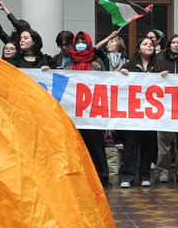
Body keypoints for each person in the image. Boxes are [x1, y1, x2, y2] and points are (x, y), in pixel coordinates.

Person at [64, 31, 111, 188]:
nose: (81, 43)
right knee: (76, 146)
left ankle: (103, 177)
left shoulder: (97, 62)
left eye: (84, 40)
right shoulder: (68, 62)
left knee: (97, 146)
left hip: (93, 112)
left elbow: (105, 82)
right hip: (74, 112)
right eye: (78, 41)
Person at [118, 36, 159, 188]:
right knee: (131, 144)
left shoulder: (158, 66)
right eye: (145, 44)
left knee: (148, 145)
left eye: (151, 44)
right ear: (138, 48)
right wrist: (121, 74)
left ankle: (145, 175)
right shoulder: (130, 65)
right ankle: (127, 177)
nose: (149, 46)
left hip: (151, 113)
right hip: (133, 113)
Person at [156, 34, 178, 183]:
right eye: (173, 42)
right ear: (169, 45)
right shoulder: (160, 60)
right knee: (163, 140)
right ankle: (163, 170)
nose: (176, 45)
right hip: (165, 105)